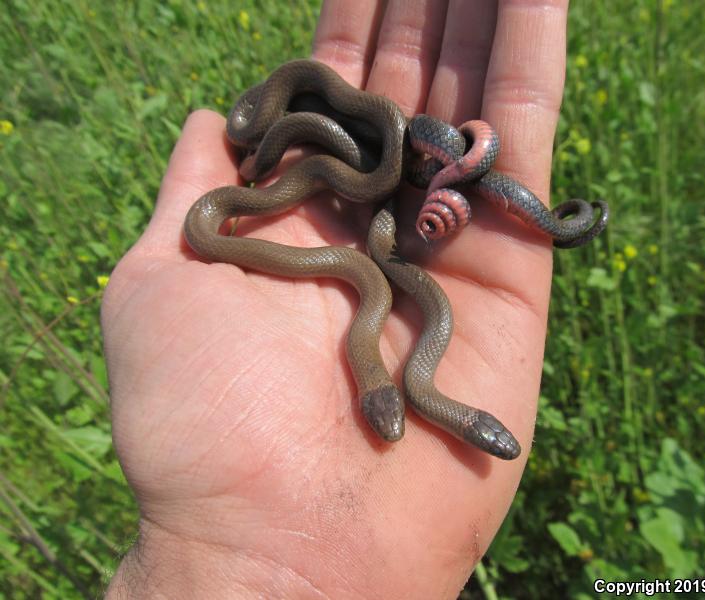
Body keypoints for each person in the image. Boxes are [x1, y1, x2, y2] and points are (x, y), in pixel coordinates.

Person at [103, 0, 569, 597]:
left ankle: (329, 134)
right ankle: (308, 123)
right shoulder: (367, 296)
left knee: (370, 214)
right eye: (488, 434)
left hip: (382, 187)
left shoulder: (378, 301)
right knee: (290, 148)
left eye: (487, 435)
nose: (391, 423)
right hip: (361, 176)